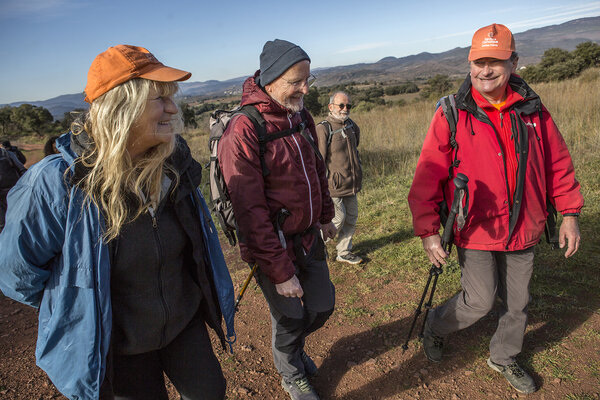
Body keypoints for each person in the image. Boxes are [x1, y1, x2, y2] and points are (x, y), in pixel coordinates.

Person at [0, 45, 236, 400]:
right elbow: (15, 273)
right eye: (159, 98)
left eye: (171, 97)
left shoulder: (173, 163)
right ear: (120, 108)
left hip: (183, 323)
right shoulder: (57, 182)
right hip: (117, 345)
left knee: (211, 392)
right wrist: (75, 305)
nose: (173, 108)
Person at [407, 23, 583, 394]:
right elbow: (428, 176)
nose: (485, 70)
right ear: (469, 63)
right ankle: (435, 325)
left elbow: (557, 164)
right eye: (478, 61)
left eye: (495, 61)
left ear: (513, 63)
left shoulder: (533, 109)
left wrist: (569, 214)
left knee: (517, 303)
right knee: (479, 301)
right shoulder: (452, 112)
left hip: (525, 226)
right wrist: (427, 231)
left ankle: (503, 356)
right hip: (476, 229)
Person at [219, 39, 336, 400]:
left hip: (308, 235)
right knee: (288, 316)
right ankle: (290, 372)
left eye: (307, 79)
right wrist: (281, 270)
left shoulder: (299, 114)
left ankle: (293, 351)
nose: (304, 88)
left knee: (321, 306)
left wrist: (326, 215)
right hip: (272, 246)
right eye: (295, 81)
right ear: (270, 80)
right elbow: (249, 210)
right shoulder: (244, 128)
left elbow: (316, 168)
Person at [316, 91, 363, 264]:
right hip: (332, 186)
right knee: (338, 218)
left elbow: (356, 145)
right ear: (331, 107)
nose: (345, 109)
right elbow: (318, 161)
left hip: (351, 183)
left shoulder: (351, 125)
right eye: (341, 105)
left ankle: (343, 252)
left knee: (351, 218)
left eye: (348, 106)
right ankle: (317, 244)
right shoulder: (323, 128)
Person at [0, 144, 26, 232]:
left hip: (13, 192)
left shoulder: (7, 154)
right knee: (3, 223)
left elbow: (21, 169)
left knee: (17, 218)